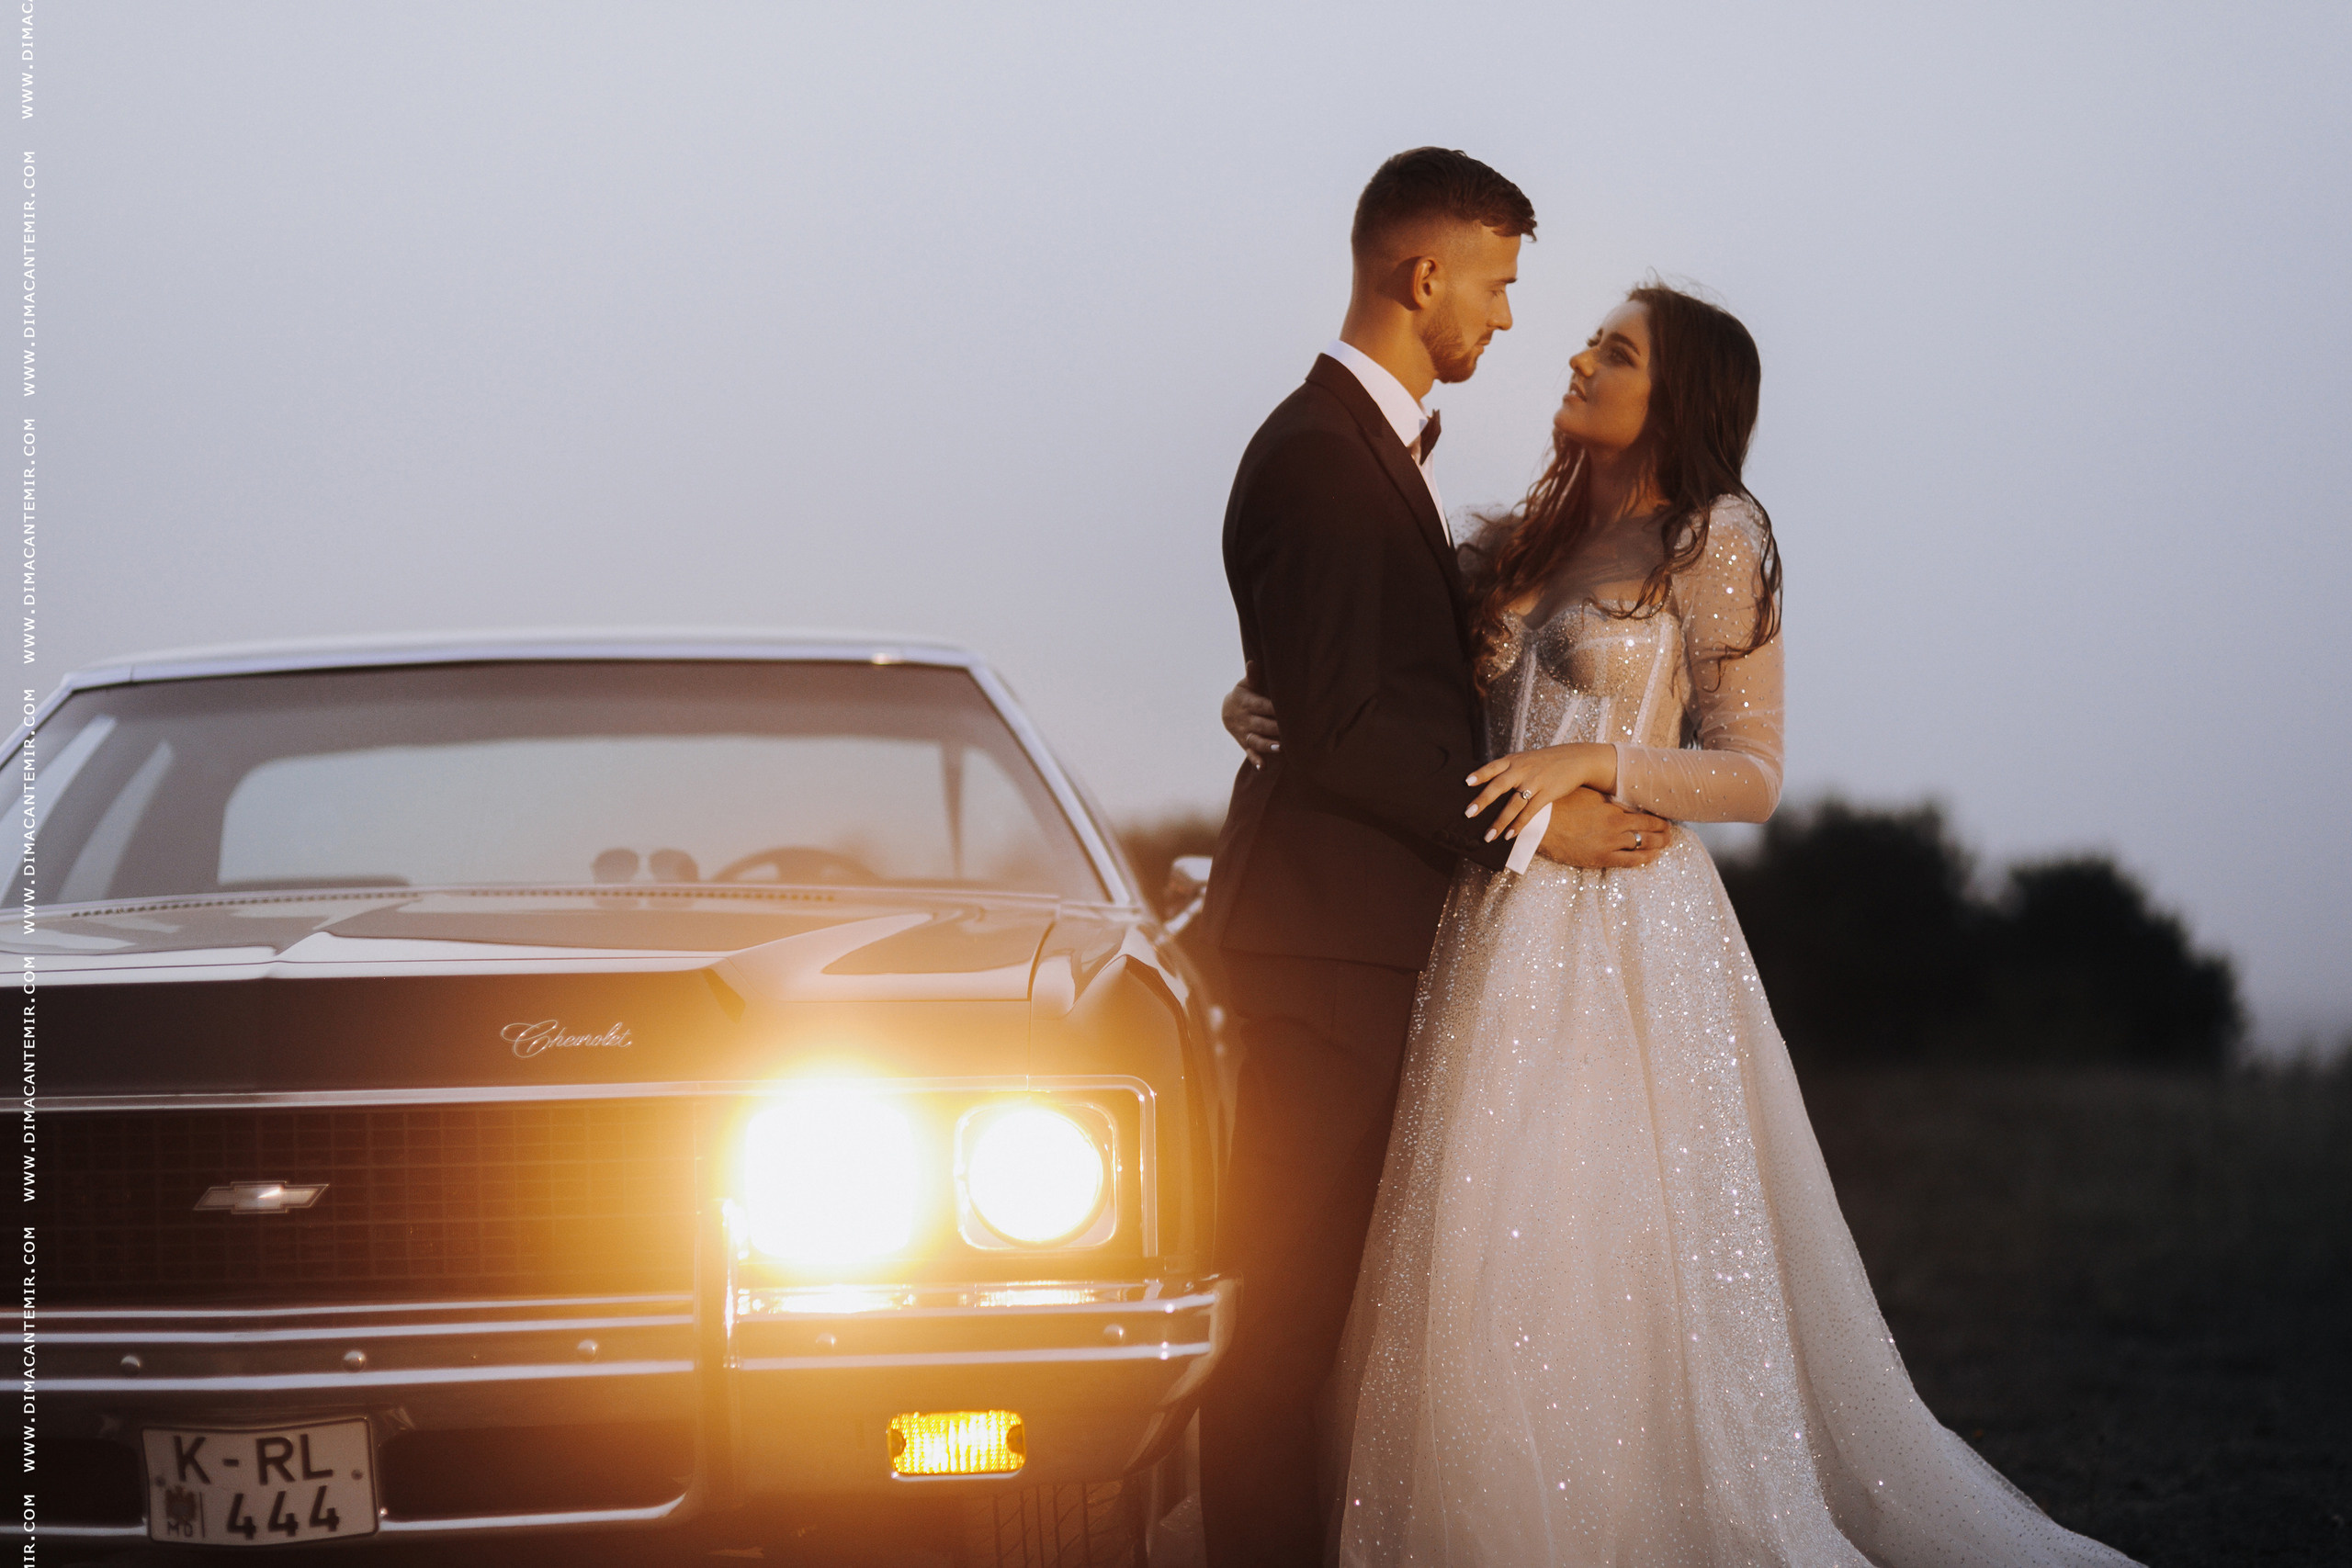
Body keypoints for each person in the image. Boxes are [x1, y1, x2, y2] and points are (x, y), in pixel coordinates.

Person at [1226, 284, 2141, 1565]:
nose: (1580, 357)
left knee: (1598, 1239)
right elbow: (1370, 673)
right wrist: (1256, 694)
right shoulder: (1516, 545)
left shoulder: (1716, 538)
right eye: (1592, 339)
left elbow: (1751, 771)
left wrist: (1592, 762)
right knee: (1477, 1255)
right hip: (1488, 924)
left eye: (1618, 351)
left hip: (1625, 934)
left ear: (1682, 395)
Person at [1194, 148, 1676, 1568]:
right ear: (1424, 277)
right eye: (1500, 283)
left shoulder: (1356, 453)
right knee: (1285, 1313)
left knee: (1333, 1306)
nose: (1511, 318)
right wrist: (1538, 822)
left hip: (1352, 940)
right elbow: (1344, 734)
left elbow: (1340, 692)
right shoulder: (1322, 461)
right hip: (1320, 956)